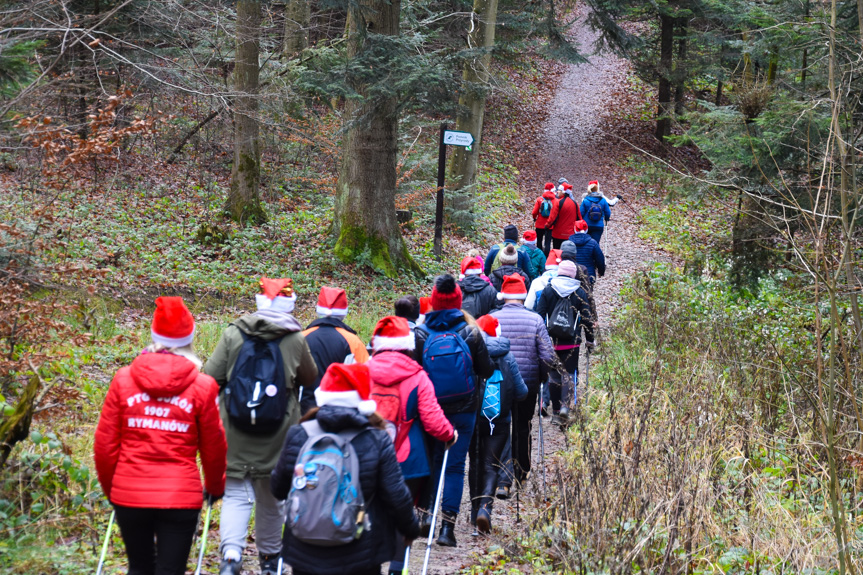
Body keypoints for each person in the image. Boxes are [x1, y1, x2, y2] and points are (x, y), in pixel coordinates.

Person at [94, 297, 227, 575]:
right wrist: (215, 486)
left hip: (129, 493)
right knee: (171, 570)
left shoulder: (123, 379)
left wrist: (113, 489)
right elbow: (214, 447)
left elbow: (105, 446)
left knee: (139, 568)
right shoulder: (203, 386)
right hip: (180, 496)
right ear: (190, 338)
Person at [203, 278, 318, 575]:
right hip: (278, 431)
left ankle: (230, 556)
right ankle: (270, 561)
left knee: (236, 495)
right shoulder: (295, 338)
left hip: (235, 430)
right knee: (272, 497)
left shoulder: (233, 333)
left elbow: (210, 377)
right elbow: (309, 377)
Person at [270, 363, 420, 575]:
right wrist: (410, 528)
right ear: (362, 400)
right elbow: (395, 494)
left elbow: (278, 488)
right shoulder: (376, 439)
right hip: (360, 549)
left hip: (305, 547)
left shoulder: (299, 434)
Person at [365, 316, 456, 575]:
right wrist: (450, 434)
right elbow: (433, 419)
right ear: (408, 344)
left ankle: (371, 566)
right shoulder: (417, 376)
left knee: (371, 512)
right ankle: (397, 566)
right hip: (407, 460)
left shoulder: (362, 371)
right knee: (401, 515)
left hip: (367, 456)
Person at [414, 274, 495, 547]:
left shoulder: (422, 334)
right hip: (464, 408)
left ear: (434, 302)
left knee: (434, 460)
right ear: (459, 302)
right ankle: (447, 530)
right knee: (456, 466)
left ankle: (425, 516)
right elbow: (487, 369)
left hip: (430, 408)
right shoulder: (470, 332)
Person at [489, 275, 555, 497]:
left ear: (504, 295)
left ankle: (502, 480)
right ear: (523, 295)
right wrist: (542, 378)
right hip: (528, 382)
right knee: (523, 426)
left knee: (500, 428)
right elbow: (547, 355)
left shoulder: (492, 318)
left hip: (497, 383)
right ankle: (522, 471)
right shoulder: (535, 320)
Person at [468, 314, 527, 534]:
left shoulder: (473, 354)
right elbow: (521, 392)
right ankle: (485, 509)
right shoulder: (508, 356)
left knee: (474, 463)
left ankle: (474, 512)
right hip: (500, 421)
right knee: (491, 466)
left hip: (475, 419)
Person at [536, 261, 595, 421]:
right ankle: (565, 408)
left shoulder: (548, 290)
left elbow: (539, 315)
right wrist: (590, 340)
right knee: (568, 374)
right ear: (573, 274)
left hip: (551, 340)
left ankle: (555, 412)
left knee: (554, 375)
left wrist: (539, 339)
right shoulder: (579, 292)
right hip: (572, 341)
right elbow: (587, 318)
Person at [300, 286, 370, 413]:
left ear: (318, 309)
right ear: (344, 312)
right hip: (341, 411)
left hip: (304, 410)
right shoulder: (353, 341)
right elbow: (365, 376)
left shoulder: (302, 337)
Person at [567, 220, 606, 285]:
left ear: (574, 229)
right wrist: (601, 271)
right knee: (588, 292)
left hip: (572, 274)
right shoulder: (593, 243)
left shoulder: (568, 243)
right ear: (586, 229)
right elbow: (600, 258)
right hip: (588, 275)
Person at [549, 182, 582, 250]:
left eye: (559, 190)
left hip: (558, 234)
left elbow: (553, 218)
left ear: (563, 192)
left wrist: (547, 226)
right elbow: (579, 219)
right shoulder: (575, 203)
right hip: (571, 235)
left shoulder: (558, 202)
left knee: (557, 254)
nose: (557, 191)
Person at [581, 180, 613, 244]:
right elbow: (608, 212)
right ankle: (595, 253)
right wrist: (607, 218)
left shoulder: (585, 200)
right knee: (595, 243)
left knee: (586, 243)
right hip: (599, 226)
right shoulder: (603, 200)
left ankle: (587, 253)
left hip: (587, 225)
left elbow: (581, 213)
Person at [531, 182, 558, 255]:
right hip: (549, 225)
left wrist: (534, 218)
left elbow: (534, 212)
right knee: (547, 242)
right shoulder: (555, 200)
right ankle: (546, 256)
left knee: (539, 240)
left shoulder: (540, 199)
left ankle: (539, 255)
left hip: (539, 224)